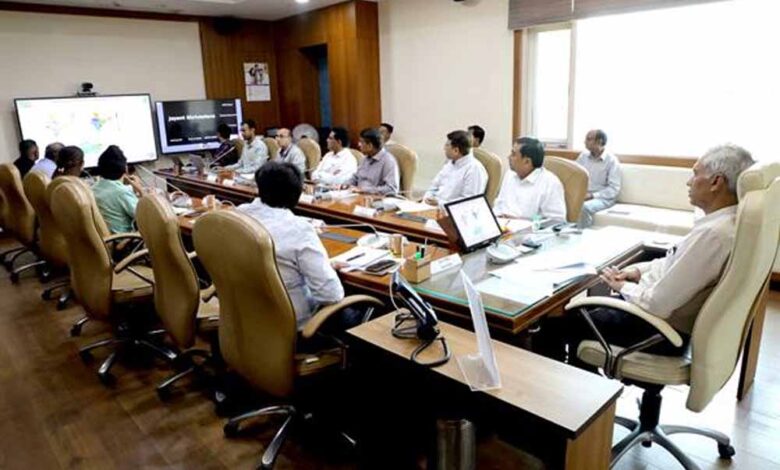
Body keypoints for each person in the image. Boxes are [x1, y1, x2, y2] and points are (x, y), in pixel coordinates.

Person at [539, 144, 755, 365]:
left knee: (553, 324)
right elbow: (674, 262)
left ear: (716, 182)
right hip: (660, 318)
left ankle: (556, 382)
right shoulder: (720, 224)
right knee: (586, 309)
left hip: (658, 331)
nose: (689, 182)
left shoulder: (713, 235)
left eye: (695, 173)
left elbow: (658, 304)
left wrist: (622, 286)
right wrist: (637, 272)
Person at [238, 162, 347, 330]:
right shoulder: (299, 230)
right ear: (297, 195)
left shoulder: (237, 215)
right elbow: (331, 295)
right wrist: (326, 268)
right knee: (359, 313)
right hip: (289, 322)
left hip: (243, 313)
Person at [493, 137, 566, 221]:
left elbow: (556, 221)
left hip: (528, 228)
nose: (509, 157)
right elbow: (499, 204)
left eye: (513, 154)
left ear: (527, 162)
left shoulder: (550, 183)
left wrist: (521, 222)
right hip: (501, 225)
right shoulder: (510, 174)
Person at [423, 130, 488, 205]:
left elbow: (469, 203)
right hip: (434, 207)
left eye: (447, 145)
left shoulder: (474, 170)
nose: (444, 148)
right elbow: (434, 186)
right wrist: (426, 199)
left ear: (456, 151)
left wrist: (440, 203)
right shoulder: (450, 163)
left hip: (451, 211)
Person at [91, 145, 143, 234]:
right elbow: (145, 216)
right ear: (125, 169)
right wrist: (142, 192)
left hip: (107, 238)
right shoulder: (122, 192)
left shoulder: (93, 189)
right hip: (126, 239)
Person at [576, 129, 622, 227]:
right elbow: (574, 174)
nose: (585, 142)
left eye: (589, 139)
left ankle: (582, 234)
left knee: (584, 207)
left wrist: (592, 196)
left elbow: (614, 189)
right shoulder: (583, 156)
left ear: (599, 141)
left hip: (603, 198)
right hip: (584, 195)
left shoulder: (611, 161)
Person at [347, 128, 399, 196]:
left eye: (361, 142)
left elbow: (391, 189)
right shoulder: (365, 158)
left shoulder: (388, 161)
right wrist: (345, 185)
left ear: (370, 146)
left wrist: (364, 190)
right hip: (359, 195)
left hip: (376, 198)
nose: (359, 145)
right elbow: (356, 177)